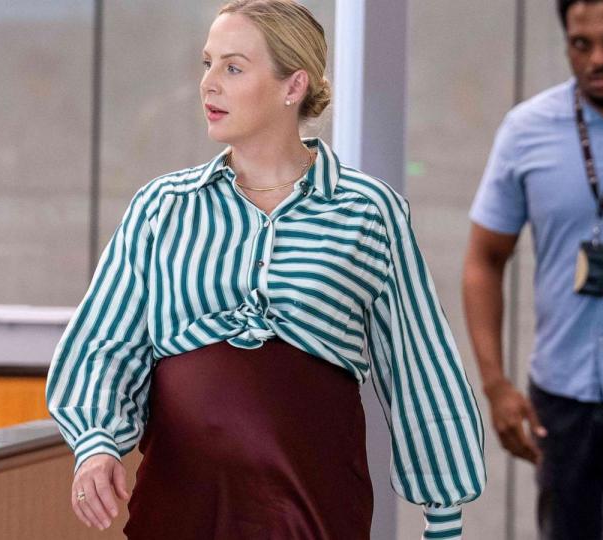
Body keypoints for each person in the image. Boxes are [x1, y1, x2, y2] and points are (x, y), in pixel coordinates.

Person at [48, 1, 485, 538]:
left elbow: (420, 359)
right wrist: (96, 445)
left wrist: (444, 516)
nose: (209, 84)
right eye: (207, 64)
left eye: (233, 67)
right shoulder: (161, 206)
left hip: (315, 507)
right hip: (178, 506)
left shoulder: (368, 209)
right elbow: (104, 342)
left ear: (292, 85)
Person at [463, 0, 603, 538]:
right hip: (559, 387)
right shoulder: (526, 131)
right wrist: (494, 384)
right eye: (582, 45)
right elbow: (485, 260)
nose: (598, 59)